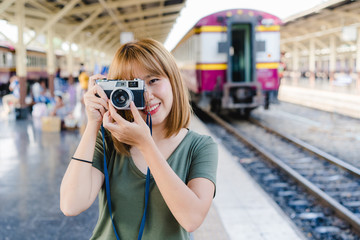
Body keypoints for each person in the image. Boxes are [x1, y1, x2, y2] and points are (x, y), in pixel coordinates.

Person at [60, 39, 218, 239]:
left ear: (173, 80)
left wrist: (145, 144)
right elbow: (70, 205)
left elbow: (192, 219)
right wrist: (93, 124)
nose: (147, 95)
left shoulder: (200, 147)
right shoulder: (109, 141)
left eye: (153, 81)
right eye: (133, 87)